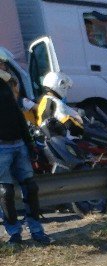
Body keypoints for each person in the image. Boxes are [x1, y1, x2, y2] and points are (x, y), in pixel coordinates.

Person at [0, 68, 50, 246]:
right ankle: (14, 233)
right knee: (5, 193)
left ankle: (36, 230)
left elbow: (18, 115)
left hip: (18, 143)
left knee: (31, 187)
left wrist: (29, 143)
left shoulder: (6, 84)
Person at [36, 71, 83, 136]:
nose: (66, 90)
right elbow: (68, 123)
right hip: (59, 138)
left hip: (46, 135)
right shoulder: (57, 103)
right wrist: (82, 130)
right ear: (59, 85)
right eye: (65, 87)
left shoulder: (44, 99)